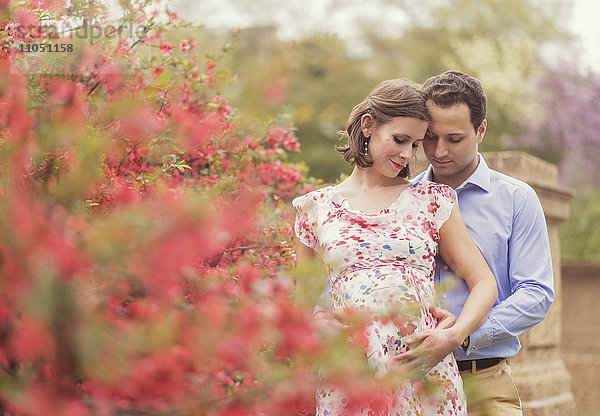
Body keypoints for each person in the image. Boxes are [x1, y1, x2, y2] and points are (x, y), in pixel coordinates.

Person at [293, 78, 498, 415]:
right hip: (349, 375)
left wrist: (454, 335)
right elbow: (302, 304)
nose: (407, 155)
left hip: (424, 371)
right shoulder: (314, 208)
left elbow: (484, 283)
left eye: (416, 145)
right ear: (369, 126)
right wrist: (316, 322)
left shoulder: (432, 201)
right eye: (400, 140)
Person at [407, 70, 555, 415]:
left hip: (484, 382)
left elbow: (536, 293)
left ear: (481, 131)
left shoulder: (518, 199)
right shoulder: (403, 197)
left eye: (454, 138)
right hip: (413, 384)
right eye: (429, 137)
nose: (439, 151)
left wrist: (462, 334)